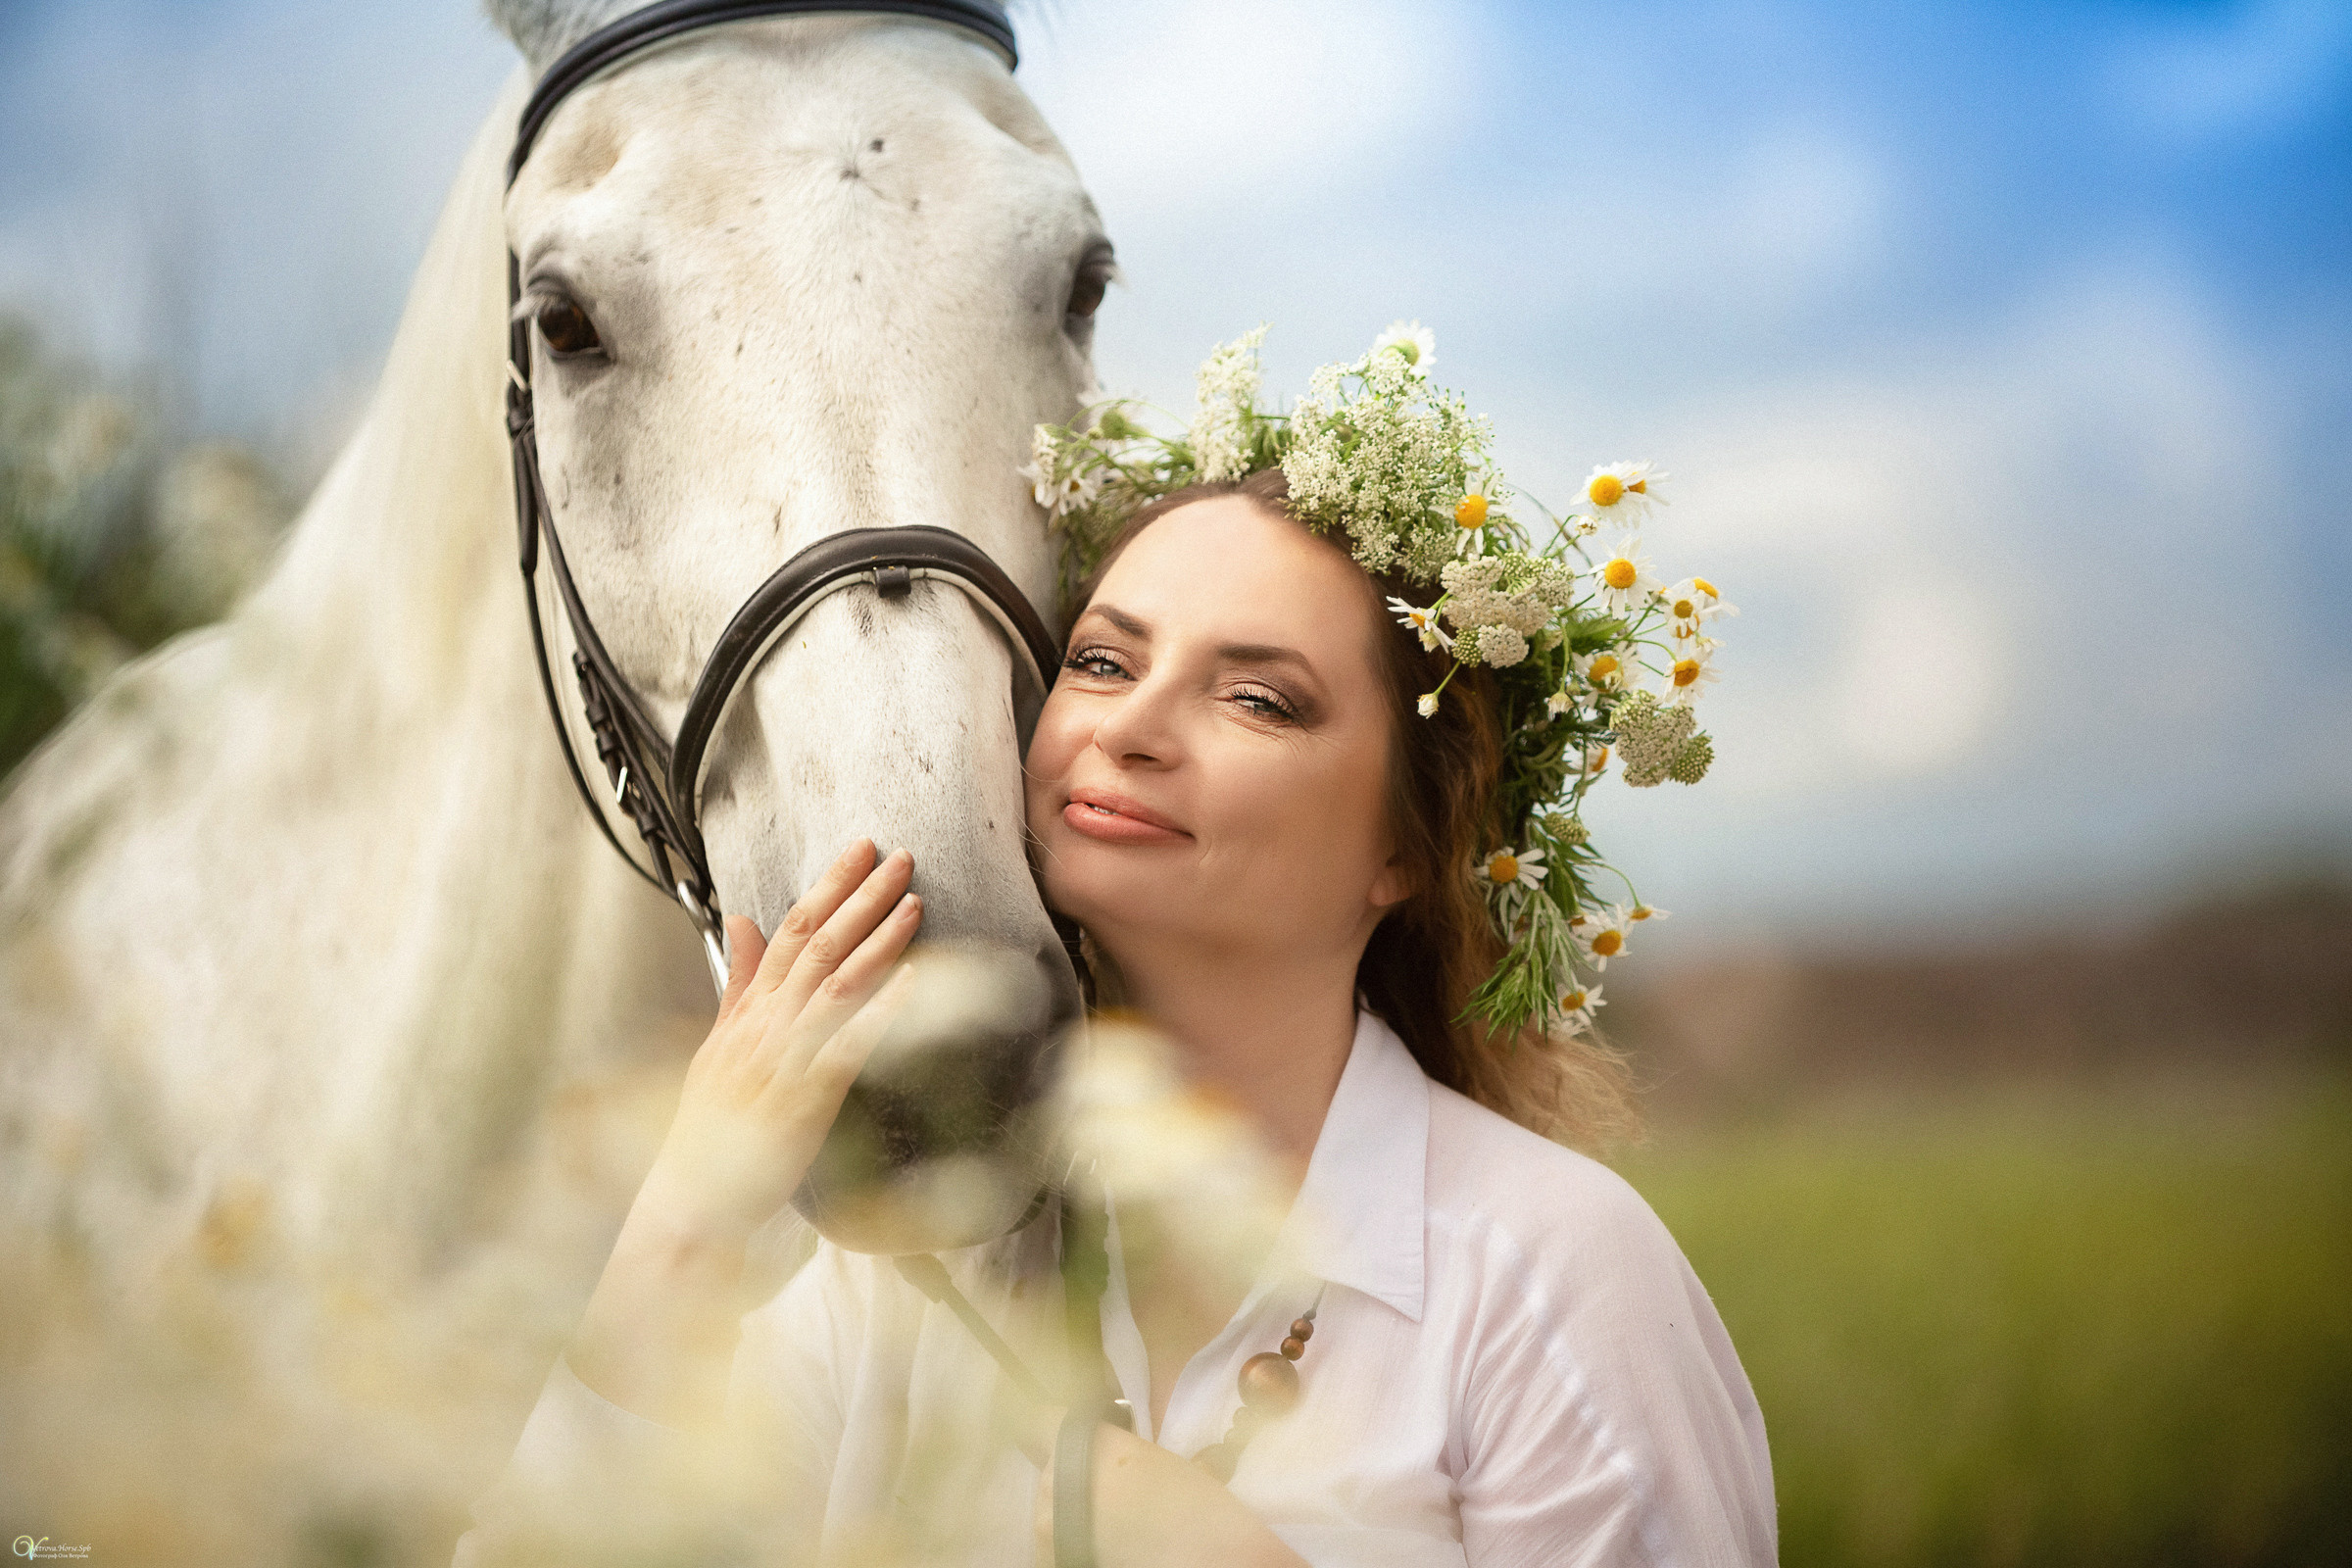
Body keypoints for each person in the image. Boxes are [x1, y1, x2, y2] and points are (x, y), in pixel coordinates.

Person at [458, 339, 1776, 1568]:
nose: (1132, 727)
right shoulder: (913, 1274)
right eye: (1100, 659)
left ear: (1404, 848)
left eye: (1259, 697)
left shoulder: (1549, 1272)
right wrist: (690, 1208)